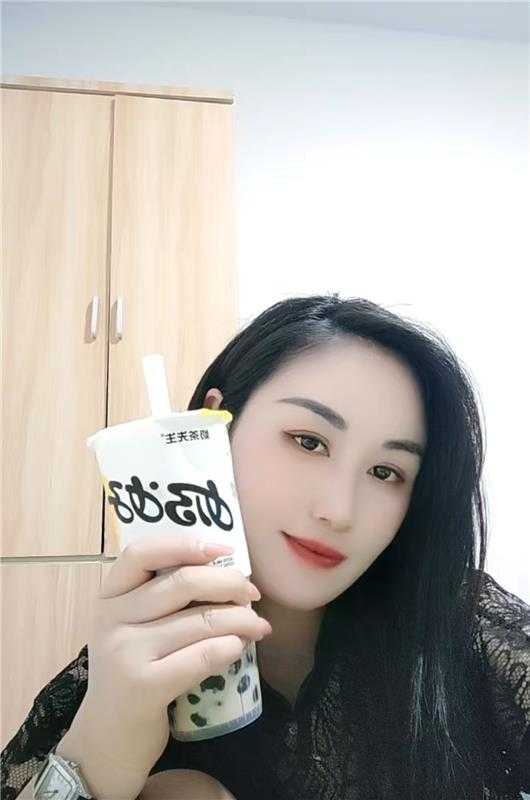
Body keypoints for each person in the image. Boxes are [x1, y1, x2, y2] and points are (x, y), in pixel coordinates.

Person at [1, 293, 529, 799]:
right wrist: (100, 751)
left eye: (385, 472)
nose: (338, 511)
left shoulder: (465, 627)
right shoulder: (139, 655)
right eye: (309, 442)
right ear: (214, 422)